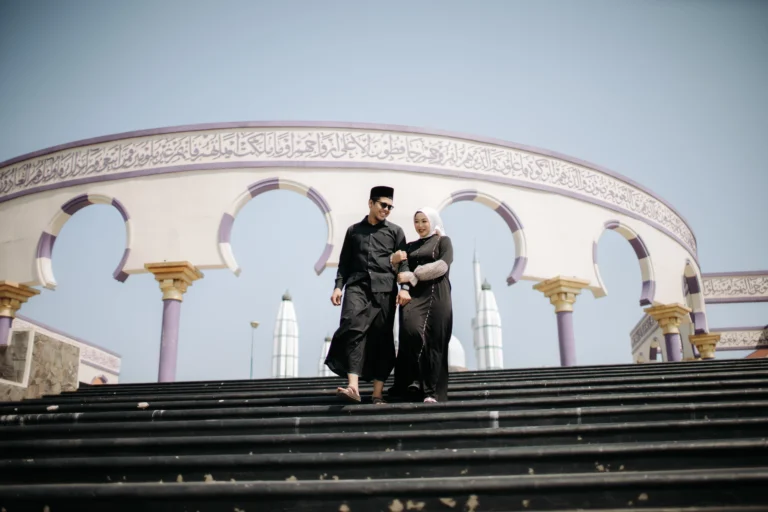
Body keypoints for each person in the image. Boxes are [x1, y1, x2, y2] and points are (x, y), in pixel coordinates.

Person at [325, 186, 412, 404]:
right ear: (371, 203)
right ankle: (352, 387)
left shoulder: (396, 232)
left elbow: (403, 264)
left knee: (382, 338)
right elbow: (344, 263)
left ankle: (377, 393)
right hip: (356, 287)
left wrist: (404, 288)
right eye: (383, 205)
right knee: (353, 327)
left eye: (390, 207)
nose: (387, 210)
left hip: (384, 290)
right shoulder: (354, 231)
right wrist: (338, 286)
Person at [389, 207, 454, 403]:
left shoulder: (443, 241)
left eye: (424, 221)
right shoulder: (409, 247)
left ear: (432, 221)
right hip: (413, 296)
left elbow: (442, 266)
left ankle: (430, 391)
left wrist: (415, 275)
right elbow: (402, 270)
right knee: (411, 331)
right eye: (417, 221)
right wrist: (405, 284)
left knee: (434, 339)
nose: (420, 226)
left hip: (437, 294)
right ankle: (413, 380)